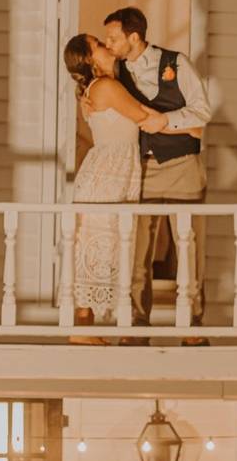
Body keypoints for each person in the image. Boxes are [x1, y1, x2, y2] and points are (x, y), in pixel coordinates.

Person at [62, 34, 201, 345]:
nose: (106, 45)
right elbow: (142, 116)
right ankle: (82, 331)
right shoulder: (107, 88)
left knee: (102, 246)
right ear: (89, 59)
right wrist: (187, 126)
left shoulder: (102, 86)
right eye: (98, 44)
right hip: (108, 175)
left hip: (114, 171)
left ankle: (85, 330)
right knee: (99, 245)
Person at [102, 7, 212, 347]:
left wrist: (166, 121)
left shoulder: (177, 63)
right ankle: (136, 323)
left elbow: (202, 110)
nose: (108, 44)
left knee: (189, 247)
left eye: (113, 38)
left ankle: (192, 325)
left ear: (134, 37)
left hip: (183, 165)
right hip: (141, 169)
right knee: (138, 251)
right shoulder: (114, 70)